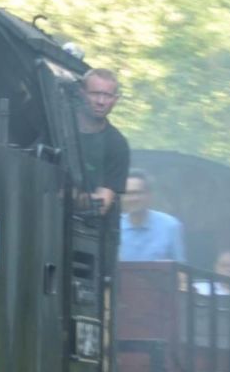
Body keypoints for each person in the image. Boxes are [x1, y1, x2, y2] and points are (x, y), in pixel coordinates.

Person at [74, 68, 130, 214]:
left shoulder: (117, 144)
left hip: (86, 230)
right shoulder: (59, 126)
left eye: (107, 96)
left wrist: (68, 195)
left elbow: (101, 205)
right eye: (95, 94)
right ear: (82, 93)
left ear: (115, 100)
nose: (101, 101)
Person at [118, 169, 186, 262]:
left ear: (149, 195)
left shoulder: (170, 226)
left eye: (138, 193)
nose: (133, 198)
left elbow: (180, 271)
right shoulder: (114, 228)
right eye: (128, 193)